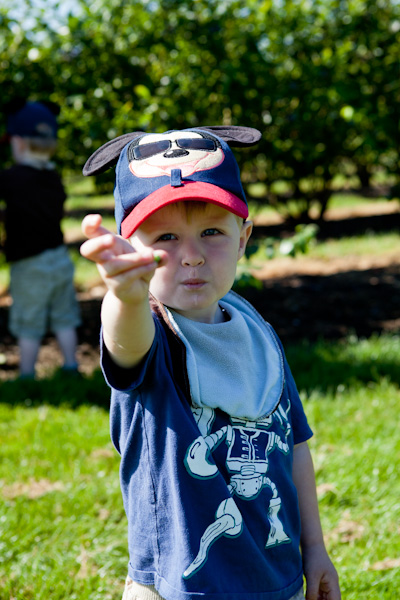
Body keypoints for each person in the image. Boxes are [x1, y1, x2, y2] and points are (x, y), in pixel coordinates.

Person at [80, 126, 341, 600]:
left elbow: (295, 445)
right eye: (165, 238)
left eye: (211, 232)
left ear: (244, 239)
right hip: (181, 586)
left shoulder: (256, 331)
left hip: (276, 576)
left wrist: (315, 548)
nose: (192, 256)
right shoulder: (151, 333)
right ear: (130, 247)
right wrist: (124, 293)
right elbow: (125, 343)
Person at [0, 101, 81, 378]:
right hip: (59, 259)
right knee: (65, 316)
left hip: (28, 264)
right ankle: (71, 365)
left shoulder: (10, 179)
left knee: (28, 321)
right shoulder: (53, 178)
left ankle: (26, 374)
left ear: (19, 143)